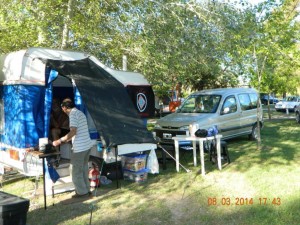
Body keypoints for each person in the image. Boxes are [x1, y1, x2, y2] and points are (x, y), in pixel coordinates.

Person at [53, 98, 94, 198]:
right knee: (83, 169)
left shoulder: (72, 115)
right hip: (87, 146)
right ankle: (86, 190)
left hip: (80, 148)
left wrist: (59, 141)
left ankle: (82, 193)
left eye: (62, 108)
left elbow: (73, 131)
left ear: (64, 107)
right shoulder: (80, 112)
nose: (63, 110)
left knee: (75, 170)